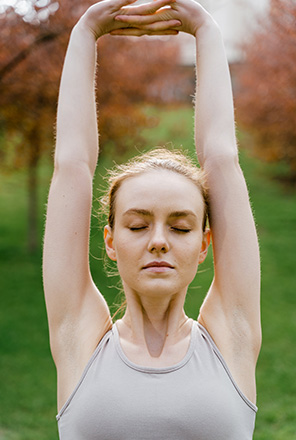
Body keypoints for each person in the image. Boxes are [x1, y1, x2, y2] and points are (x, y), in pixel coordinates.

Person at [43, 0, 262, 438]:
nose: (159, 241)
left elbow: (221, 159)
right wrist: (85, 31)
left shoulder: (230, 338)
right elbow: (73, 165)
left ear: (204, 244)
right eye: (138, 225)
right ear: (109, 240)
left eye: (180, 227)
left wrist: (204, 28)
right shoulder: (79, 338)